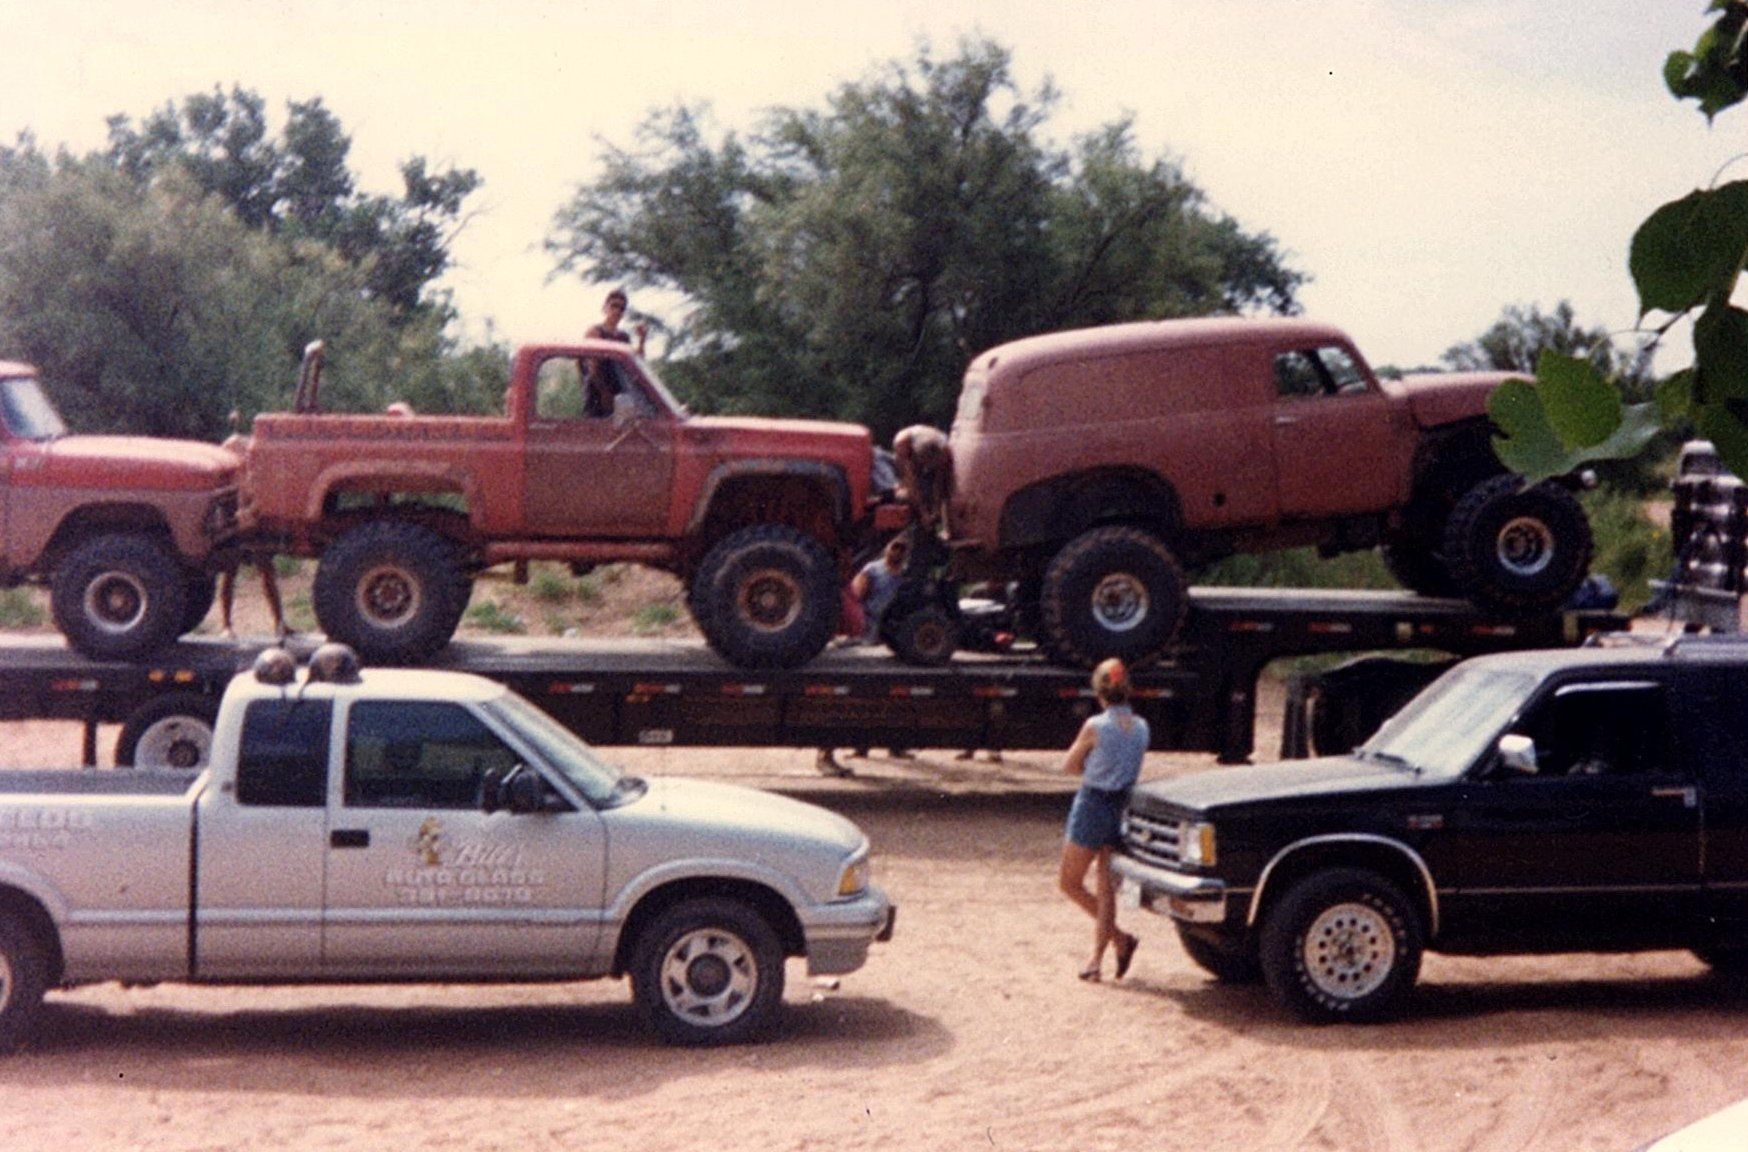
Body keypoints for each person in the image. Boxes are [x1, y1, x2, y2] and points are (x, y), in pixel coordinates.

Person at [1058, 657, 1148, 982]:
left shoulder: (1096, 726)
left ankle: (1118, 941)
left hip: (1093, 803)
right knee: (1105, 886)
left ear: (1099, 692)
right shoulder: (1141, 727)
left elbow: (1069, 766)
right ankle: (1100, 956)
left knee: (1069, 882)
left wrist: (1091, 768)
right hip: (1123, 806)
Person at [586, 287, 648, 356]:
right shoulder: (595, 332)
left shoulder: (623, 337)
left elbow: (636, 361)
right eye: (614, 306)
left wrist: (642, 340)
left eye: (622, 308)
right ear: (605, 307)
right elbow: (592, 362)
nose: (617, 311)